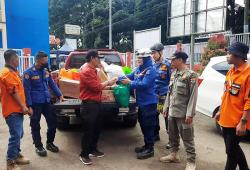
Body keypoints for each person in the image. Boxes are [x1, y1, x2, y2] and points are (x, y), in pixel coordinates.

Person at [215, 42, 250, 170]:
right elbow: (226, 94)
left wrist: (243, 122)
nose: (227, 56)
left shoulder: (248, 74)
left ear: (239, 56)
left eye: (229, 53)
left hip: (237, 121)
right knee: (232, 150)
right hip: (225, 118)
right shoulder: (231, 71)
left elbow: (249, 101)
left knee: (231, 152)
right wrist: (220, 110)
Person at [160, 51, 198, 170]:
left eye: (173, 59)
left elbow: (193, 96)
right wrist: (166, 107)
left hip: (183, 114)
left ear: (180, 60)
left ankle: (191, 162)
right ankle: (174, 155)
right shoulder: (173, 74)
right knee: (172, 136)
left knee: (187, 138)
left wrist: (189, 114)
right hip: (172, 112)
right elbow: (169, 93)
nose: (170, 62)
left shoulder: (191, 75)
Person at [79, 50, 117, 165]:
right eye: (98, 58)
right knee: (89, 130)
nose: (100, 61)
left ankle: (93, 149)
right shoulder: (86, 71)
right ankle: (84, 154)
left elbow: (98, 85)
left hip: (96, 103)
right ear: (92, 58)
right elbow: (96, 87)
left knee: (96, 128)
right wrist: (109, 82)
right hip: (89, 105)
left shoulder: (93, 70)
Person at [23, 51, 64, 157]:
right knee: (35, 125)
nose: (46, 64)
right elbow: (26, 91)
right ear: (37, 61)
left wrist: (60, 95)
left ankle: (49, 143)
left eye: (47, 61)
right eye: (44, 62)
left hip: (46, 101)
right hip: (35, 103)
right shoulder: (28, 73)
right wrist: (29, 106)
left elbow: (52, 84)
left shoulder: (46, 71)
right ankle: (38, 146)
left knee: (53, 122)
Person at [120, 48, 157, 160]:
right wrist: (116, 78)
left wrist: (130, 83)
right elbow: (129, 76)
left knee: (149, 126)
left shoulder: (150, 70)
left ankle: (150, 149)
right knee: (142, 124)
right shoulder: (139, 69)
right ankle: (146, 145)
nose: (139, 60)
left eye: (141, 58)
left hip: (149, 104)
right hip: (141, 103)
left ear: (146, 59)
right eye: (138, 57)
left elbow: (144, 85)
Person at [0, 50, 31, 170]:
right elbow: (13, 91)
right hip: (12, 110)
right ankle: (10, 162)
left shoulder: (13, 72)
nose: (19, 60)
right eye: (18, 59)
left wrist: (25, 106)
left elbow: (19, 90)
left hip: (17, 109)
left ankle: (16, 154)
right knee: (16, 135)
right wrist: (23, 107)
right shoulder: (7, 73)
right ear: (13, 60)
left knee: (19, 133)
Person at [150, 43, 171, 145]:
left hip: (164, 96)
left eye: (154, 53)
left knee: (167, 117)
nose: (153, 55)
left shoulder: (167, 64)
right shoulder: (153, 65)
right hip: (155, 96)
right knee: (154, 115)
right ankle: (155, 135)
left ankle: (172, 140)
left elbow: (172, 81)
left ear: (160, 52)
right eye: (152, 53)